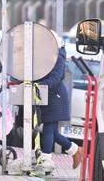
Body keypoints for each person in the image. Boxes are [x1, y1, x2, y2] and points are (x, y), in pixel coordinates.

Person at [38, 35, 83, 171]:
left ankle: (46, 161)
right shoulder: (47, 56)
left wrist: (40, 84)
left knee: (48, 128)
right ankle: (75, 150)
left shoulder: (59, 57)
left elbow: (57, 77)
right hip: (48, 95)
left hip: (56, 97)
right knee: (52, 132)